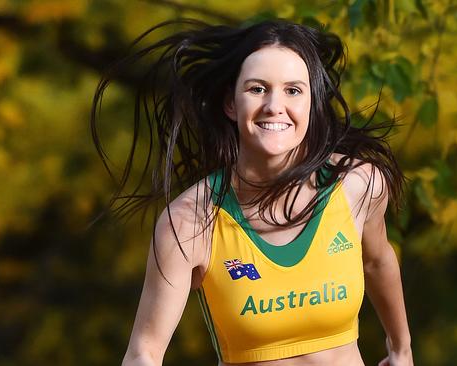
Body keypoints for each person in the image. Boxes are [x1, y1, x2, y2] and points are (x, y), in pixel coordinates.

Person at [90, 18, 413, 366]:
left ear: (311, 103)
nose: (275, 105)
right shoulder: (190, 222)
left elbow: (377, 260)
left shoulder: (358, 184)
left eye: (293, 90)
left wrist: (401, 349)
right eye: (257, 89)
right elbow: (145, 351)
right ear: (231, 104)